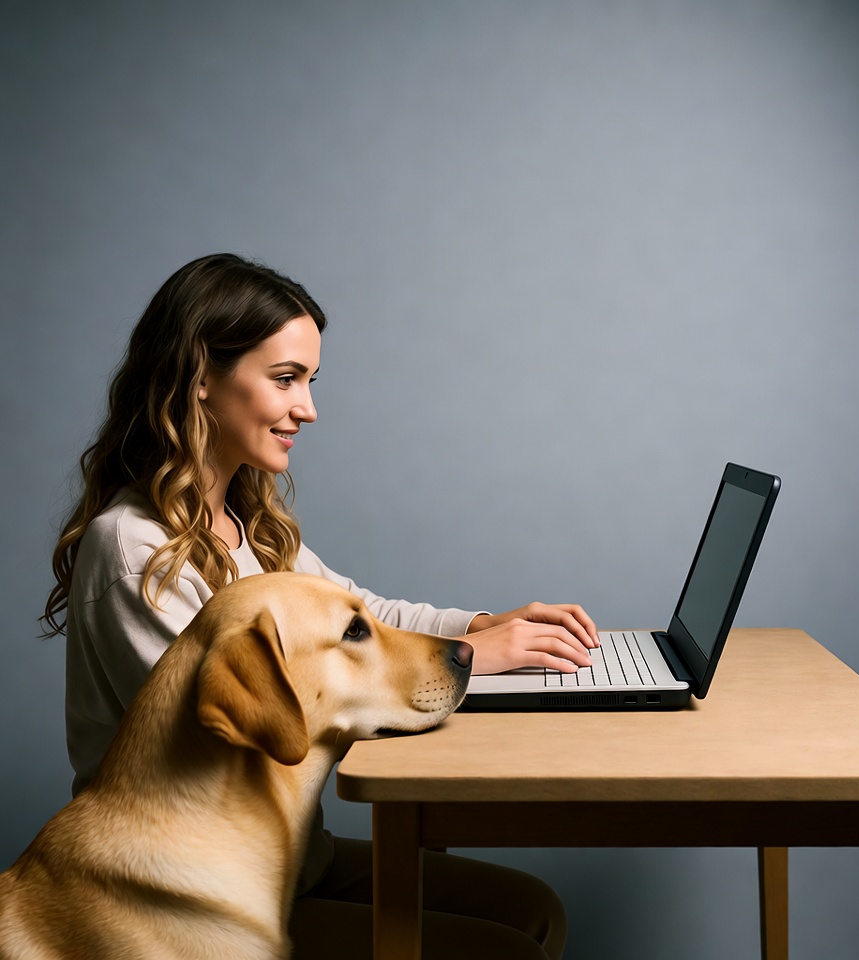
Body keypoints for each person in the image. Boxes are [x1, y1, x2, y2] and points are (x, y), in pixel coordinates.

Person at [42, 252, 599, 959]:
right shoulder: (130, 550)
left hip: (291, 863)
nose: (308, 407)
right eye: (286, 380)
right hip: (184, 898)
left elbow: (360, 615)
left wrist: (479, 632)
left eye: (309, 380)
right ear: (201, 380)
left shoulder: (243, 519)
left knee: (534, 911)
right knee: (503, 950)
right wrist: (430, 682)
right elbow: (243, 745)